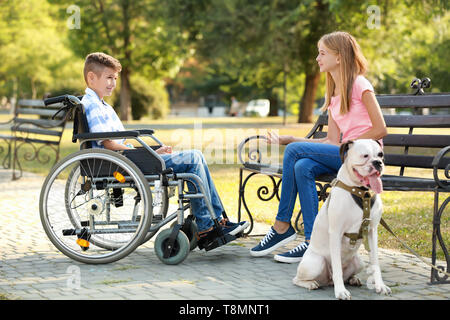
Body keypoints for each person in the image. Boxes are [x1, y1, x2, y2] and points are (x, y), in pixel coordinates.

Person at [81, 52, 248, 242]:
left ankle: (218, 220)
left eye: (115, 78)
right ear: (92, 77)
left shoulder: (101, 105)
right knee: (192, 159)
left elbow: (117, 142)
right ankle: (207, 226)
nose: (113, 83)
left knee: (197, 157)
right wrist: (147, 154)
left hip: (126, 160)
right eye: (108, 78)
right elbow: (109, 143)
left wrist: (150, 152)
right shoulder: (92, 105)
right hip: (120, 164)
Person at [250, 31, 387, 263]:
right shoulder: (334, 93)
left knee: (295, 153)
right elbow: (331, 142)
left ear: (339, 57)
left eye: (322, 53)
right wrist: (292, 138)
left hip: (364, 158)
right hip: (346, 156)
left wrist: (350, 147)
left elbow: (380, 128)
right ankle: (313, 242)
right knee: (302, 165)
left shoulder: (360, 85)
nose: (317, 58)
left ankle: (282, 226)